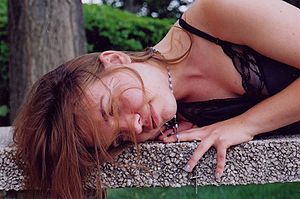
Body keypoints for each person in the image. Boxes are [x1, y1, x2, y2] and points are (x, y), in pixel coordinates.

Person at [13, 0, 300, 198]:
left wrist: (245, 124)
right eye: (120, 139)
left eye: (111, 108)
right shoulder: (181, 119)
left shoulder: (218, 12)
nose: (136, 128)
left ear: (114, 59)